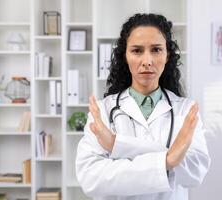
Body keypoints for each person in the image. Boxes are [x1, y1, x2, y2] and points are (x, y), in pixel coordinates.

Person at [76, 13, 211, 200]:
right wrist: (169, 159)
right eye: (137, 50)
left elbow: (195, 174)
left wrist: (117, 145)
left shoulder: (186, 110)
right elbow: (91, 178)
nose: (147, 61)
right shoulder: (103, 111)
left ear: (167, 55)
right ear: (125, 56)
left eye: (156, 50)